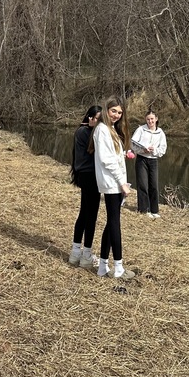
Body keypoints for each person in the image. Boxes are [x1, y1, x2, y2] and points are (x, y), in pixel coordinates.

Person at [90, 96, 135, 279]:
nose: (116, 115)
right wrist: (122, 182)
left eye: (119, 112)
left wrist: (124, 153)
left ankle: (102, 267)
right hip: (112, 184)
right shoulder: (102, 130)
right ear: (106, 110)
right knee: (115, 223)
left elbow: (112, 155)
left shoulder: (111, 130)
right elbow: (106, 160)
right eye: (113, 111)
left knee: (111, 223)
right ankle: (118, 268)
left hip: (115, 182)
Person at [68, 105, 103, 269]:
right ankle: (86, 254)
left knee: (84, 212)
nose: (97, 122)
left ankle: (76, 252)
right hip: (90, 176)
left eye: (100, 119)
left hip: (85, 175)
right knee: (91, 215)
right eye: (95, 118)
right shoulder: (85, 132)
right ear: (89, 118)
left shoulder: (84, 132)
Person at [131, 109, 168, 218]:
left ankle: (154, 210)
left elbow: (163, 149)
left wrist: (154, 151)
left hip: (153, 160)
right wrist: (143, 150)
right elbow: (133, 144)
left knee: (154, 186)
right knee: (143, 185)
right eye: (148, 119)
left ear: (156, 119)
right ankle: (143, 209)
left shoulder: (160, 133)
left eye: (152, 119)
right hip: (141, 160)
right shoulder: (140, 130)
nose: (150, 121)